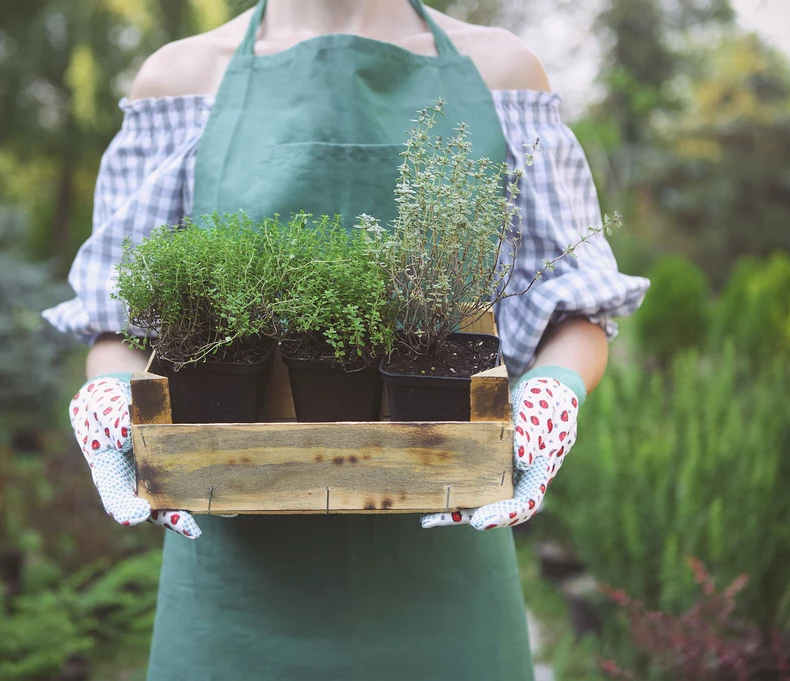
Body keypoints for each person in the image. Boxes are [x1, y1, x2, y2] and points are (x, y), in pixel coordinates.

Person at [44, 1, 649, 678]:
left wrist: (554, 392)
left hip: (447, 589)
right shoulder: (181, 81)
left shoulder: (502, 73)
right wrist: (109, 394)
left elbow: (580, 304)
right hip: (235, 599)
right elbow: (119, 322)